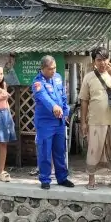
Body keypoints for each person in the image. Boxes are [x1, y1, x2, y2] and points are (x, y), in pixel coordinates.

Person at [79, 46, 111, 190]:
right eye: (99, 60)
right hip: (95, 120)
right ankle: (91, 180)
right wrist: (83, 122)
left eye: (105, 59)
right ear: (94, 61)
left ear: (109, 59)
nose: (102, 63)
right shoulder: (88, 77)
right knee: (94, 150)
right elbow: (84, 101)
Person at [32, 55, 75, 190]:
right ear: (43, 68)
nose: (53, 71)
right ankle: (45, 179)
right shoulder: (37, 83)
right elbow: (43, 98)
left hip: (59, 121)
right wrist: (53, 107)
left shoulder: (57, 78)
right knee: (45, 150)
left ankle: (62, 178)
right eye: (50, 69)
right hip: (45, 123)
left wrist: (66, 111)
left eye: (55, 68)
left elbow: (62, 96)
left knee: (60, 150)